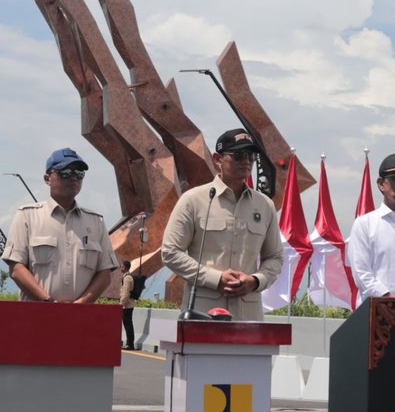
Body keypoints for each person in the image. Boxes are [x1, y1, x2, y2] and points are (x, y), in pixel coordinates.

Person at [160, 128, 284, 321]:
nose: (246, 161)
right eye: (239, 155)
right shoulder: (193, 200)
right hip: (202, 314)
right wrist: (215, 279)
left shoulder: (265, 205)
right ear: (218, 159)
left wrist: (255, 280)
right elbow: (170, 252)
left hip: (248, 317)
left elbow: (275, 257)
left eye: (251, 156)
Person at [3, 148, 115, 304]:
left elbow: (105, 273)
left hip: (80, 316)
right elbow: (16, 269)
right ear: (47, 178)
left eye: (79, 173)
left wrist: (81, 305)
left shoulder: (96, 222)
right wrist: (48, 302)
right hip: (36, 314)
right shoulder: (27, 216)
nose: (73, 178)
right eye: (65, 172)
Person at [346, 152, 395, 299]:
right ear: (381, 184)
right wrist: (387, 297)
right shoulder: (364, 224)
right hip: (377, 309)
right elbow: (361, 273)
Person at [118, 259, 147, 349]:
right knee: (128, 324)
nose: (120, 268)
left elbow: (125, 292)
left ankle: (130, 344)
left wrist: (121, 304)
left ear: (125, 267)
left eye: (121, 266)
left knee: (128, 324)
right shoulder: (127, 277)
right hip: (128, 304)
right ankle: (129, 343)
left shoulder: (127, 278)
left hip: (127, 305)